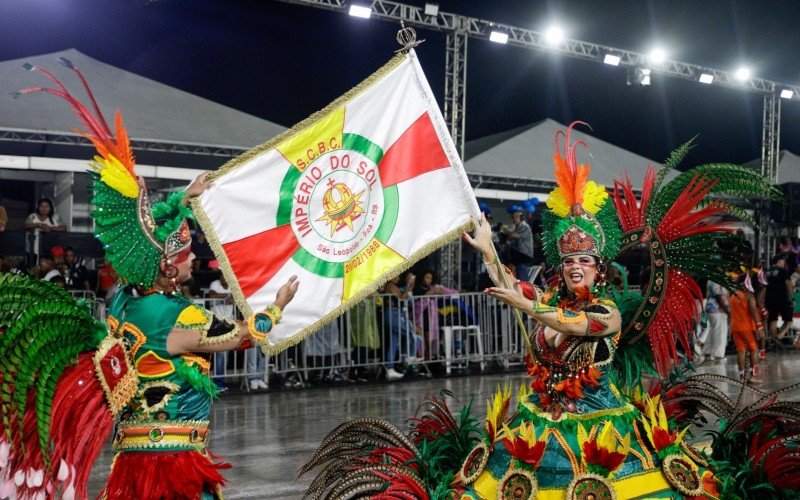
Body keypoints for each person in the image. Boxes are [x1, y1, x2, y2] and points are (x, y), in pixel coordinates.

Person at [304, 123, 799, 498]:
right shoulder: (550, 297)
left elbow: (576, 325)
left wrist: (526, 304)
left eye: (585, 260)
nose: (576, 268)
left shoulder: (608, 310)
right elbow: (516, 287)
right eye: (569, 262)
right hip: (541, 417)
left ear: (600, 267)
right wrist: (487, 253)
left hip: (603, 425)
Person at [0, 68, 300, 499]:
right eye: (185, 253)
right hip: (172, 466)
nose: (194, 256)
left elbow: (146, 242)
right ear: (166, 268)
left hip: (131, 460)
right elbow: (245, 335)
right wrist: (279, 304)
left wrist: (182, 199)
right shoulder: (180, 317)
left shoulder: (122, 299)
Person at [380, 272, 423, 381]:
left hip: (394, 314)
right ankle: (410, 358)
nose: (397, 277)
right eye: (395, 275)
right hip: (392, 315)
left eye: (398, 275)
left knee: (394, 342)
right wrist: (408, 287)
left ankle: (390, 369)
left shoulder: (392, 286)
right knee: (410, 333)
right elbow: (402, 298)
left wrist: (408, 288)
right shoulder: (390, 286)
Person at [412, 269, 457, 359]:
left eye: (430, 278)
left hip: (430, 318)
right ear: (422, 277)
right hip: (419, 318)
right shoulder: (417, 288)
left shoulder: (433, 287)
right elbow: (416, 305)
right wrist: (428, 294)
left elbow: (450, 292)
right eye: (427, 278)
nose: (429, 280)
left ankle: (428, 362)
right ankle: (420, 363)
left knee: (430, 341)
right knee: (420, 341)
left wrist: (442, 291)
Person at [729, 272, 764, 384]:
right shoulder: (749, 295)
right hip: (747, 328)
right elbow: (753, 311)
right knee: (754, 350)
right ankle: (752, 376)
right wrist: (760, 327)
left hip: (735, 327)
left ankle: (742, 377)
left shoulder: (733, 296)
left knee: (741, 351)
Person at [764, 253, 794, 346]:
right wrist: (792, 298)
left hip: (769, 299)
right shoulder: (783, 271)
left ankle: (774, 340)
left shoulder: (767, 272)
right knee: (788, 320)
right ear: (780, 261)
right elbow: (788, 285)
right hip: (782, 299)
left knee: (773, 319)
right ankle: (779, 337)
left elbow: (763, 285)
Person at [501, 206, 534, 281]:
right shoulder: (517, 227)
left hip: (524, 257)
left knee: (522, 280)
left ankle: (524, 292)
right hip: (518, 256)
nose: (514, 219)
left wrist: (505, 230)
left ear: (521, 217)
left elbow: (514, 235)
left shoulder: (525, 227)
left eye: (516, 217)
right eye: (513, 217)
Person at [700, 279, 730, 361]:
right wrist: (727, 310)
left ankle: (707, 352)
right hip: (718, 310)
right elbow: (718, 296)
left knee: (712, 331)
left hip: (710, 309)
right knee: (720, 332)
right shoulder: (716, 280)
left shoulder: (710, 279)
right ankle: (718, 355)